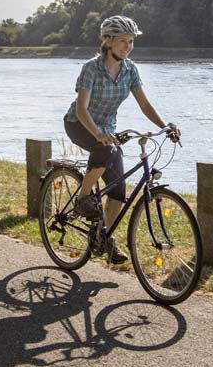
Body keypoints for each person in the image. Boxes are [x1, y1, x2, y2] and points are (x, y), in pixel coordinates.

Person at [63, 15, 180, 264]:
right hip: (79, 124)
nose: (127, 47)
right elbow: (82, 109)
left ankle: (104, 239)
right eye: (122, 42)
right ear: (107, 41)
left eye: (131, 42)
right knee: (105, 149)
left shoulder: (131, 69)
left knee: (118, 190)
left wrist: (165, 126)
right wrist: (97, 133)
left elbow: (144, 104)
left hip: (107, 129)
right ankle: (83, 199)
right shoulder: (91, 68)